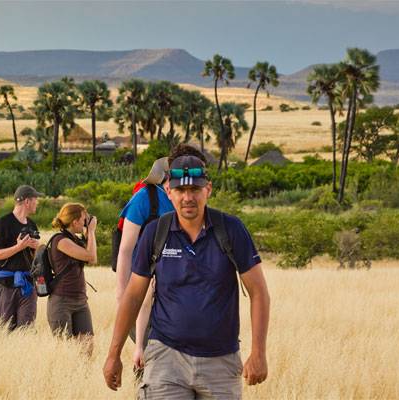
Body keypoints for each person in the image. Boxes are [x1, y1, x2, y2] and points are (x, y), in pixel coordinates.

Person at [103, 154, 271, 399]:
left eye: (195, 189)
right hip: (166, 359)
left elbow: (259, 293)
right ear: (169, 191)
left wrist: (258, 353)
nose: (188, 197)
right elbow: (134, 296)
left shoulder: (230, 230)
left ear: (208, 190)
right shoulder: (155, 232)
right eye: (181, 190)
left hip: (220, 361)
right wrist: (113, 354)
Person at [117, 146, 200, 370]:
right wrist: (122, 296)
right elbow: (126, 250)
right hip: (143, 290)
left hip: (179, 294)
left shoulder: (190, 202)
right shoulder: (144, 199)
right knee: (151, 361)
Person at [0, 185, 42, 331]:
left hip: (27, 284)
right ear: (27, 202)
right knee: (5, 330)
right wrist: (18, 247)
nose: (37, 202)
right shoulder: (3, 224)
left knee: (27, 330)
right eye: (35, 199)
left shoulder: (32, 224)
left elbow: (34, 257)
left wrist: (36, 247)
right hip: (6, 284)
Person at [47, 202, 98, 355]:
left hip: (80, 301)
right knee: (65, 351)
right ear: (74, 221)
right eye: (83, 219)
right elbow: (91, 257)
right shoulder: (60, 241)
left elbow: (93, 258)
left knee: (87, 349)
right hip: (62, 301)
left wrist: (89, 233)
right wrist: (92, 231)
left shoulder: (75, 239)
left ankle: (82, 378)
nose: (85, 222)